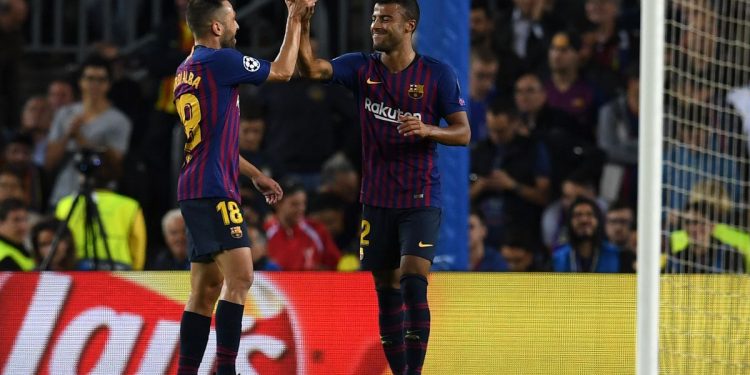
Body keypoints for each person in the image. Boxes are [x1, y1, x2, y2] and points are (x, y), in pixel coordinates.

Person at [298, 1, 471, 373]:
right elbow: (310, 67)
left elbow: (463, 132)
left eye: (385, 19)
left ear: (408, 26)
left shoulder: (437, 74)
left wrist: (428, 129)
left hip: (420, 196)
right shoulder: (362, 67)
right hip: (376, 199)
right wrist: (301, 19)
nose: (376, 24)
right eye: (374, 18)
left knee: (412, 278)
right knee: (386, 290)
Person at [173, 1, 313, 374]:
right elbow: (283, 71)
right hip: (214, 188)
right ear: (216, 28)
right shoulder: (222, 61)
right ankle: (226, 368)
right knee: (242, 276)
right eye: (232, 17)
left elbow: (213, 143)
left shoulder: (185, 70)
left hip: (194, 186)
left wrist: (253, 174)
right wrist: (294, 18)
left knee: (204, 290)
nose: (238, 22)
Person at [44, 56, 133, 206]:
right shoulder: (65, 114)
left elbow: (114, 166)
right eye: (90, 78)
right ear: (81, 81)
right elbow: (49, 162)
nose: (94, 84)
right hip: (64, 195)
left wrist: (80, 138)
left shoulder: (119, 121)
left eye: (101, 80)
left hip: (100, 198)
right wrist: (68, 135)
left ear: (109, 84)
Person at [264, 181, 341, 271]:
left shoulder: (317, 231)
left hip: (311, 284)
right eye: (294, 204)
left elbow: (336, 265)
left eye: (303, 203)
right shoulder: (266, 232)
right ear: (278, 204)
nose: (301, 209)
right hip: (274, 284)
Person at [552, 197, 634, 273]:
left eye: (590, 214)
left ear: (599, 221)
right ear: (569, 222)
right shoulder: (556, 259)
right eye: (578, 215)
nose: (584, 220)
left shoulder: (620, 256)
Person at [0, 198, 33, 271]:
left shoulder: (17, 245)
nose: (23, 226)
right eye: (16, 220)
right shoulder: (4, 259)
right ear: (1, 222)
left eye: (25, 219)